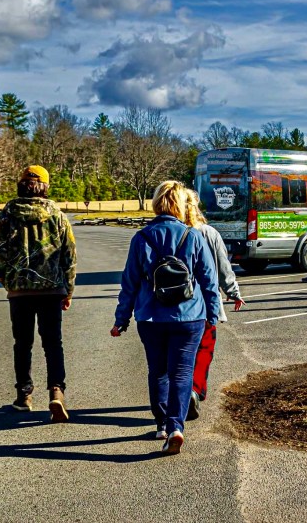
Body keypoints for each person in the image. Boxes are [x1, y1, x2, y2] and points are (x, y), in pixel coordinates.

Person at [111, 181, 220, 455]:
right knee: (182, 372)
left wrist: (121, 319)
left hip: (151, 318)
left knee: (158, 371)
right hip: (189, 317)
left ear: (157, 202)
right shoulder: (192, 236)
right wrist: (213, 313)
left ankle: (161, 423)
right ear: (181, 205)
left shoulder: (141, 238)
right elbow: (209, 279)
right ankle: (176, 427)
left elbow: (130, 283)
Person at [0, 165, 76, 421]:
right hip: (51, 289)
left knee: (23, 344)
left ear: (22, 184)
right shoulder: (57, 215)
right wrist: (68, 289)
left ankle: (24, 396)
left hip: (19, 291)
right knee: (53, 343)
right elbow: (69, 254)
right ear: (44, 185)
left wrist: (8, 281)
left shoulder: (7, 214)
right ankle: (56, 392)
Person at [183, 189, 246, 420]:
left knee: (179, 352)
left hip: (175, 304)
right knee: (204, 348)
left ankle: (178, 393)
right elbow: (222, 266)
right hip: (205, 302)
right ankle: (194, 389)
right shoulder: (208, 232)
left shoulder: (172, 231)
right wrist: (234, 292)